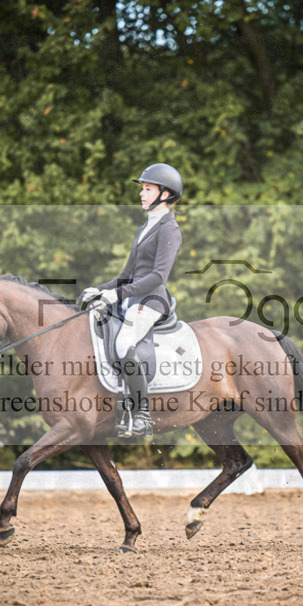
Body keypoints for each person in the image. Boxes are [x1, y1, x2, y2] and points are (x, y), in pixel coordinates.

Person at [80, 163, 183, 439]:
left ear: (165, 194)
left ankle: (142, 415)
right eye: (142, 189)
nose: (142, 193)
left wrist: (115, 295)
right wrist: (99, 290)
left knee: (125, 343)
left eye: (147, 189)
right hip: (130, 299)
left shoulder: (169, 230)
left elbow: (158, 277)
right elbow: (126, 275)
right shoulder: (144, 228)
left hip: (151, 301)